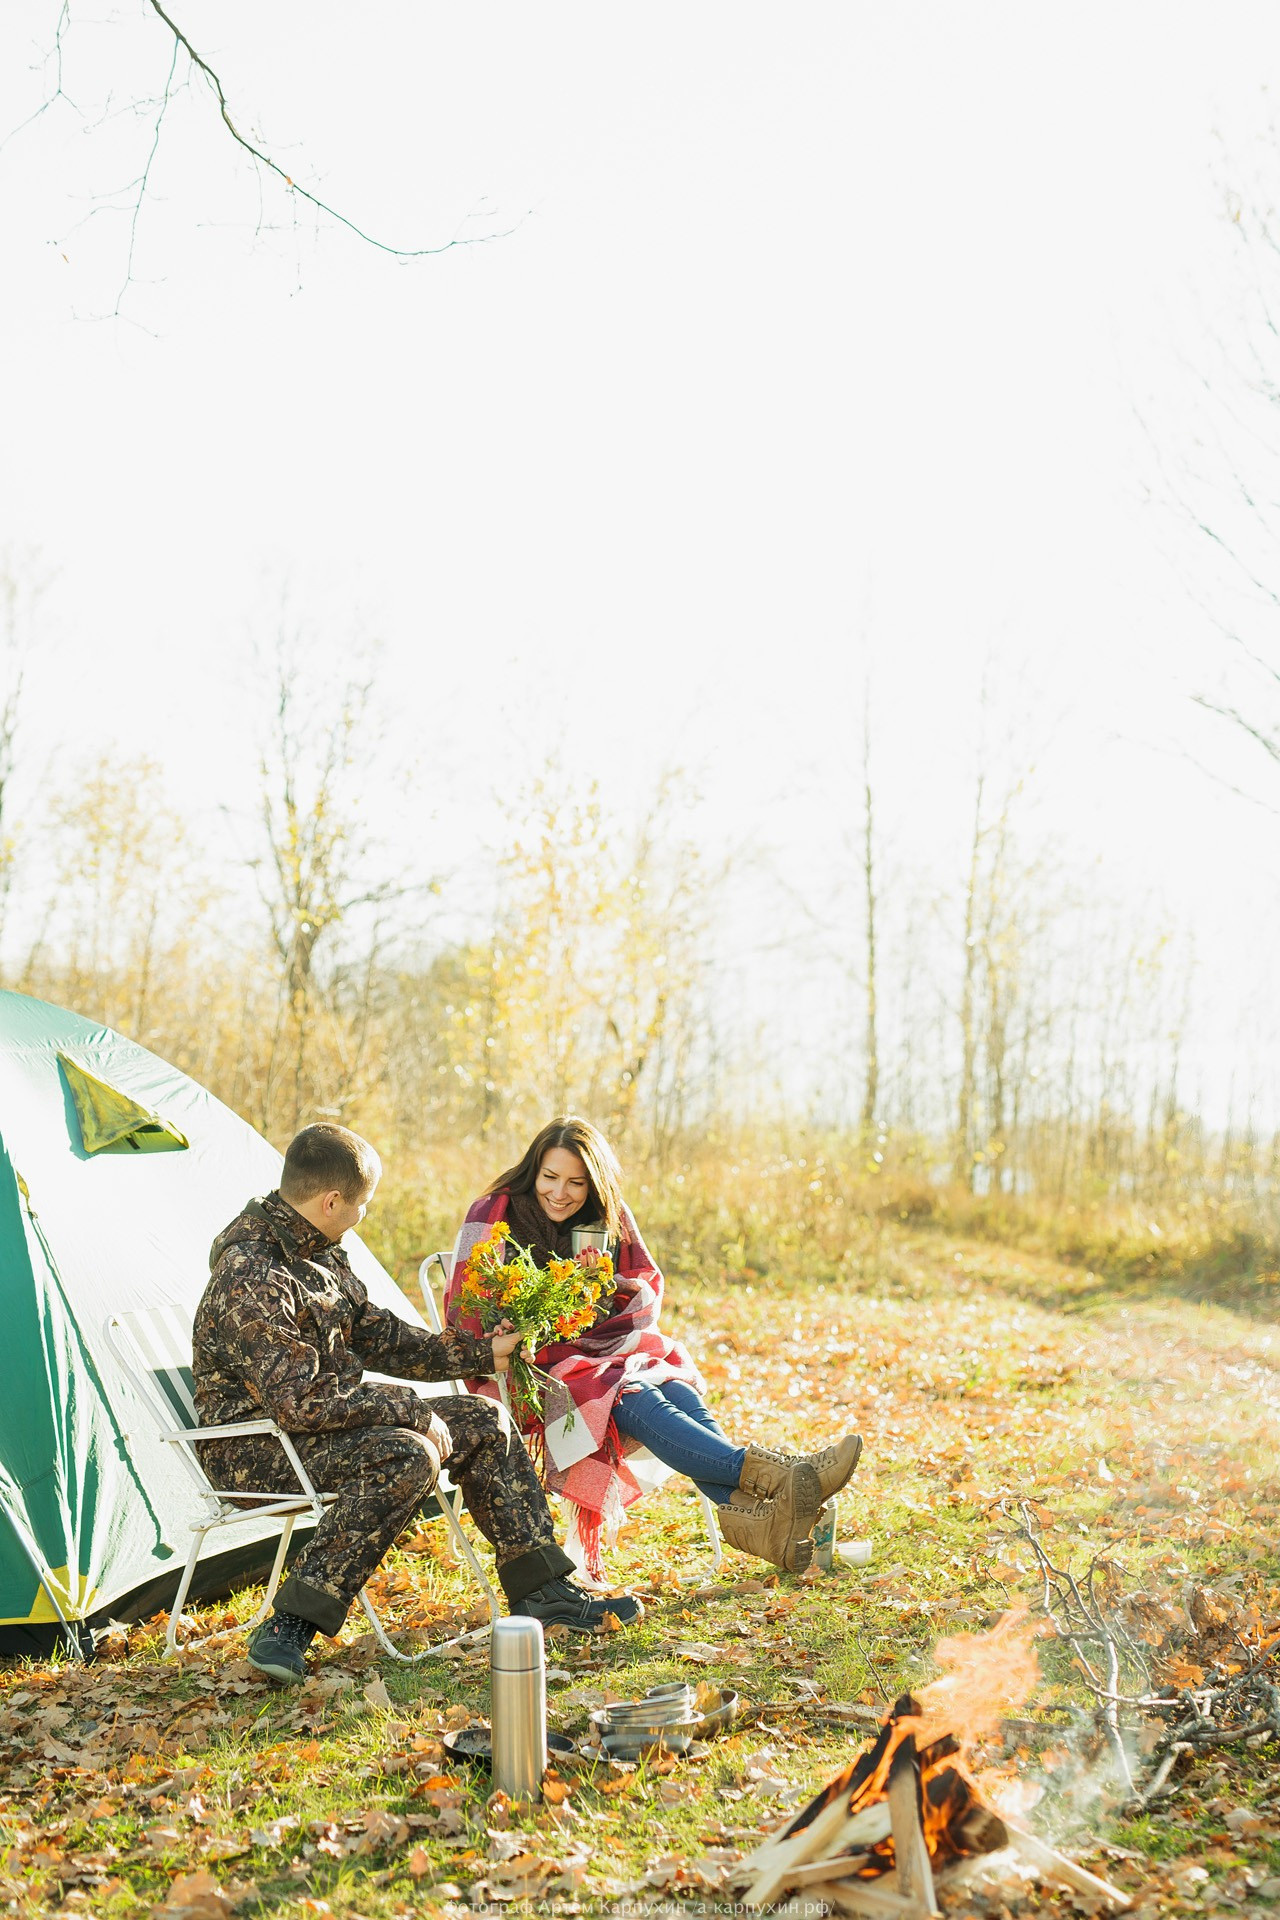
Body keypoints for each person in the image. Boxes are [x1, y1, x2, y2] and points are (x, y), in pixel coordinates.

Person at [192, 1122, 642, 1685]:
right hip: (254, 1448)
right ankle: (289, 1625)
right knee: (407, 1454)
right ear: (331, 1200)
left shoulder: (316, 1253)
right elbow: (300, 1401)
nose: (363, 1216)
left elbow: (380, 1337)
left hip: (317, 1429)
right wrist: (413, 1409)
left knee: (487, 1420)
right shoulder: (253, 1274)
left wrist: (482, 1352)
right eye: (362, 1205)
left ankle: (543, 1590)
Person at [445, 1116, 864, 1579]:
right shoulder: (494, 1213)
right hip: (528, 1370)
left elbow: (644, 1286)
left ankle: (764, 1523)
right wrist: (518, 1324)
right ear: (533, 1171)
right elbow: (467, 1314)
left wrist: (601, 1285)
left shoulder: (609, 1216)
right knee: (629, 1392)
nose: (560, 1193)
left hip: (607, 1351)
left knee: (673, 1388)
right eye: (550, 1177)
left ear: (595, 1184)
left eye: (576, 1182)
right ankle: (783, 1477)